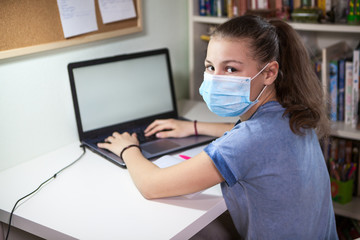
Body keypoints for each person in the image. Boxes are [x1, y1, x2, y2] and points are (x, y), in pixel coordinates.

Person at [98, 15, 338, 239]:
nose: (215, 78)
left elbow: (151, 186)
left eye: (231, 69)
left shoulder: (248, 141)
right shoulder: (294, 113)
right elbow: (252, 137)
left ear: (269, 73)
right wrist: (192, 126)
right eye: (210, 67)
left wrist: (128, 148)